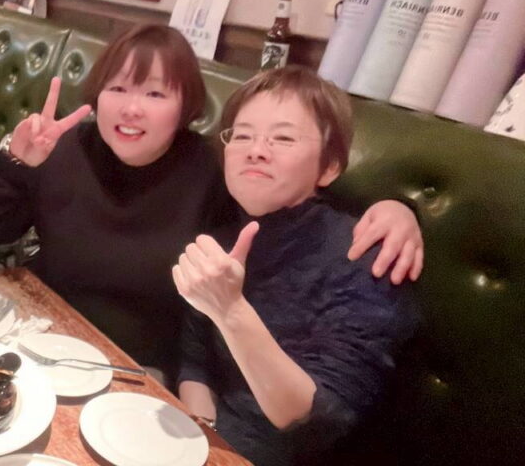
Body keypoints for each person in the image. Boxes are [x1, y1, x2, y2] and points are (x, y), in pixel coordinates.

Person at [0, 25, 423, 379]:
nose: (131, 108)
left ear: (186, 109)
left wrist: (399, 211)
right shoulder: (65, 148)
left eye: (155, 93)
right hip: (37, 336)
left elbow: (294, 199)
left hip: (140, 369)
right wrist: (14, 162)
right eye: (117, 88)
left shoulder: (214, 167)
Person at [173, 66, 417, 465]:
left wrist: (231, 311)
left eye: (283, 138)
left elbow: (318, 421)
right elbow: (195, 364)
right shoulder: (221, 238)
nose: (256, 150)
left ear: (329, 166)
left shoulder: (367, 256)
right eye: (243, 135)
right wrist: (201, 436)